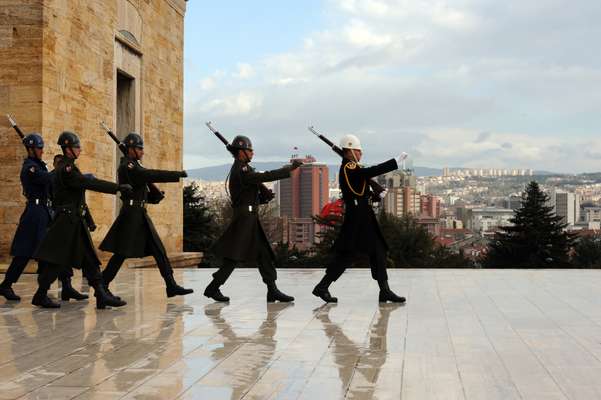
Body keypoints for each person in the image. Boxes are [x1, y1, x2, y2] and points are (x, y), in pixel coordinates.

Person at [33, 131, 132, 309]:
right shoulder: (67, 169)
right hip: (66, 222)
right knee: (56, 259)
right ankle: (40, 295)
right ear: (68, 149)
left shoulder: (67, 167)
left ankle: (101, 295)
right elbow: (90, 184)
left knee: (90, 259)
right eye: (77, 146)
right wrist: (117, 188)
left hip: (74, 220)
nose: (80, 149)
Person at [204, 135, 302, 303]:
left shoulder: (244, 169)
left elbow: (250, 194)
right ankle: (213, 288)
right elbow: (265, 176)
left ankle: (272, 290)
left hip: (250, 216)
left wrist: (263, 197)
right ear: (241, 152)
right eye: (250, 150)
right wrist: (288, 169)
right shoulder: (241, 170)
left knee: (264, 254)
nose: (252, 153)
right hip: (244, 219)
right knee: (234, 256)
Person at [312, 134, 406, 303]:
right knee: (347, 254)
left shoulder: (352, 167)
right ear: (350, 151)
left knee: (378, 251)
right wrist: (394, 162)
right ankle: (322, 287)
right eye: (358, 150)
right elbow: (368, 172)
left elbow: (360, 190)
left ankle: (384, 290)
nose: (360, 153)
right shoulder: (349, 167)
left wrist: (374, 195)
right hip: (357, 217)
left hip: (363, 214)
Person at [99, 132, 193, 298]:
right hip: (130, 215)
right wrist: (176, 174)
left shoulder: (135, 165)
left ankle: (170, 285)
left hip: (139, 213)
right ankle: (102, 285)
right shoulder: (128, 166)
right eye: (139, 148)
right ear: (131, 150)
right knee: (121, 252)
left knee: (158, 249)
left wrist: (154, 197)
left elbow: (139, 192)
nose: (142, 152)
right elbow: (149, 175)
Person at [0, 133, 53, 301]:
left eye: (42, 148)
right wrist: (58, 171)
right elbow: (46, 179)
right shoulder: (30, 168)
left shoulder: (37, 165)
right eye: (39, 148)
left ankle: (39, 290)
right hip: (34, 212)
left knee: (39, 252)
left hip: (41, 211)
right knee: (26, 252)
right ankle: (9, 285)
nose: (42, 151)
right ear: (31, 149)